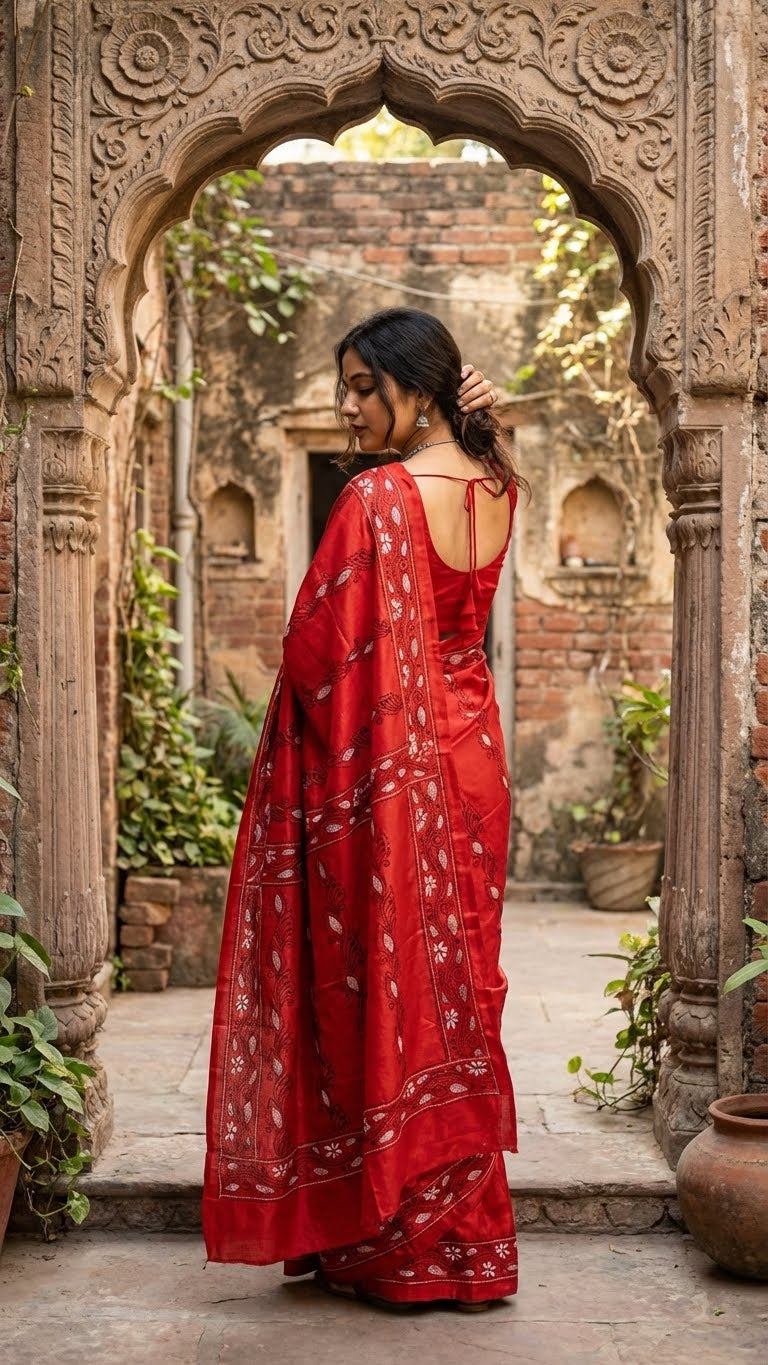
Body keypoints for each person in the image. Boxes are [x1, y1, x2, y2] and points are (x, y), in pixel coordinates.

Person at [204, 307, 530, 1312]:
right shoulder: (499, 480)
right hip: (474, 760)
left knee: (380, 983)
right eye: (342, 389)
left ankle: (387, 1239)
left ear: (418, 391)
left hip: (395, 770)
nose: (347, 408)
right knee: (457, 986)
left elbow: (315, 651)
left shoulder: (380, 498)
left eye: (362, 388)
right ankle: (461, 1240)